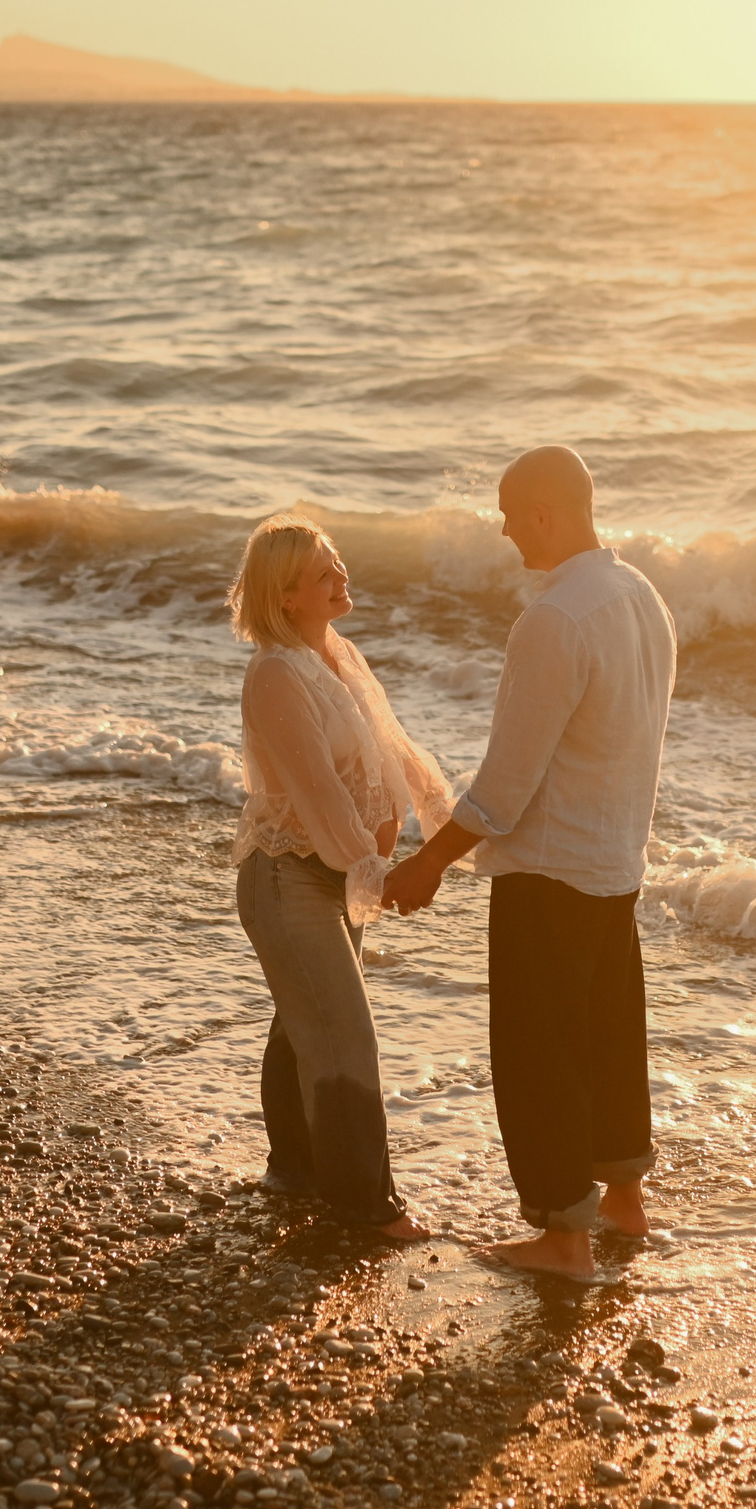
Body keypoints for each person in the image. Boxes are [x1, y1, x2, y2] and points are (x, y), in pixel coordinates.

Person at [383, 446, 677, 1280]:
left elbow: (507, 785)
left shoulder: (553, 620)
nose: (505, 528)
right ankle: (624, 1203)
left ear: (547, 512)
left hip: (548, 872)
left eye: (511, 512)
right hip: (617, 860)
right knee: (610, 1037)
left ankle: (563, 1239)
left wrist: (428, 862)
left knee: (541, 1054)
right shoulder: (642, 597)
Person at [229, 516, 452, 1241]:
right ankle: (366, 1207)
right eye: (325, 572)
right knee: (342, 1032)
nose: (342, 576)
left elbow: (396, 750)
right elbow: (319, 790)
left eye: (338, 563)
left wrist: (446, 826)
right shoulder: (275, 674)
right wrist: (375, 874)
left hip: (330, 875)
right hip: (289, 877)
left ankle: (294, 1170)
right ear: (286, 595)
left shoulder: (336, 653)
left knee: (305, 1027)